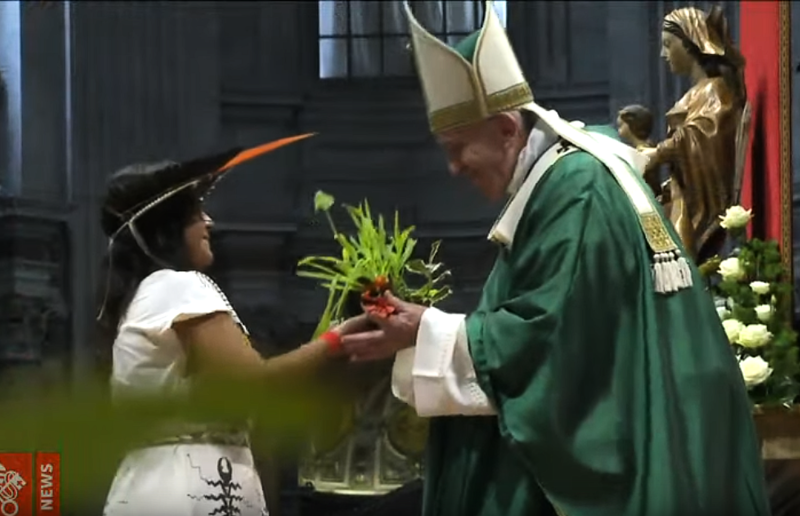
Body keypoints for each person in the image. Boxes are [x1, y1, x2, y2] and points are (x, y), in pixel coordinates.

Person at [341, 3, 770, 516]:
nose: (453, 169)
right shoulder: (577, 170)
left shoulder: (576, 192)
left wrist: (427, 330)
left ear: (506, 128)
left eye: (458, 148)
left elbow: (550, 342)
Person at [97, 136, 372, 516]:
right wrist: (335, 340)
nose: (209, 221)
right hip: (187, 487)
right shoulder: (178, 286)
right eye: (196, 212)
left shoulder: (146, 294)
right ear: (167, 227)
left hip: (160, 479)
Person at [639, 6, 747, 262]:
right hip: (681, 196)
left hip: (696, 206)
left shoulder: (715, 90)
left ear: (690, 44)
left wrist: (659, 153)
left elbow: (702, 134)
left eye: (668, 44)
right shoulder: (698, 92)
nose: (663, 54)